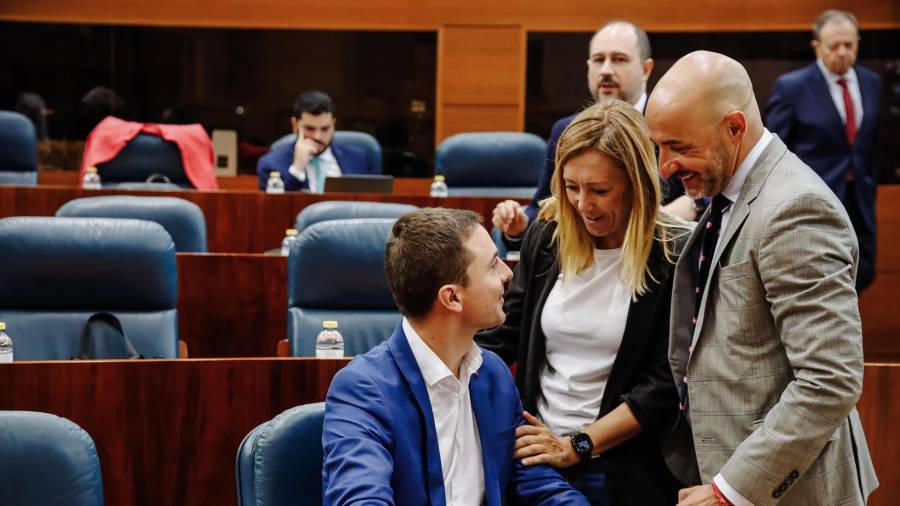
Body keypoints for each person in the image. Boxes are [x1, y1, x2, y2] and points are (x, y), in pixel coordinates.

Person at [645, 50, 878, 506]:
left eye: (679, 147)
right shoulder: (731, 193)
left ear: (734, 128)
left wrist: (729, 491)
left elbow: (830, 380)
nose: (664, 167)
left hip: (792, 491)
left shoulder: (796, 210)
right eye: (659, 146)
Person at [476, 100, 690, 504]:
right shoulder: (548, 236)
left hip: (618, 467)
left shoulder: (674, 254)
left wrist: (577, 445)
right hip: (537, 456)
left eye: (599, 191)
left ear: (636, 184)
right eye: (571, 187)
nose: (582, 204)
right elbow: (504, 332)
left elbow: (663, 387)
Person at [322, 208, 589, 505]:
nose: (508, 273)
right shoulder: (363, 389)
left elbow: (537, 484)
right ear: (452, 298)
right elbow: (360, 499)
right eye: (492, 266)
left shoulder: (493, 374)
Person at [492, 20, 697, 248]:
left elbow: (714, 188)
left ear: (645, 69)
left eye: (619, 59)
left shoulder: (670, 126)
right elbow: (542, 210)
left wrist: (693, 203)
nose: (606, 70)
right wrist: (519, 226)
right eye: (599, 60)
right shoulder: (566, 130)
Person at [765, 9, 882, 292]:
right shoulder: (791, 87)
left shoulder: (871, 83)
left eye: (849, 45)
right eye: (834, 46)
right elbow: (775, 153)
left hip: (860, 202)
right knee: (820, 281)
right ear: (817, 46)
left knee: (862, 273)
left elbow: (871, 146)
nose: (842, 52)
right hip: (813, 203)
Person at [256, 90, 377, 192]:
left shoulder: (359, 158)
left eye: (325, 129)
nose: (318, 136)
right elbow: (275, 211)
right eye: (310, 128)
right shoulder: (271, 164)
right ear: (295, 125)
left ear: (333, 124)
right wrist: (297, 169)